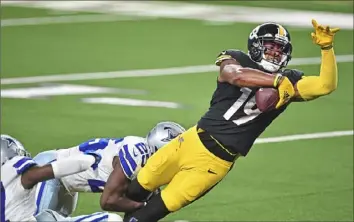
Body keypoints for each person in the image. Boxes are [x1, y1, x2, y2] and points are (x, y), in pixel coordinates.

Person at [123, 19, 340, 222]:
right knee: (133, 192)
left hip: (214, 163)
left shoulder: (290, 82)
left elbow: (325, 85)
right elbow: (234, 75)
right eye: (270, 46)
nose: (275, 53)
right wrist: (276, 80)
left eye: (279, 48)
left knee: (147, 215)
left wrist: (326, 49)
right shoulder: (237, 59)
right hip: (190, 141)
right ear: (256, 46)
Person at [32, 121, 186, 219]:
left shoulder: (147, 160)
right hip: (50, 171)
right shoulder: (136, 156)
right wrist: (145, 207)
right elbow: (108, 201)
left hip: (68, 183)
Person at [0, 134, 109, 222]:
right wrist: (91, 158)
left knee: (47, 216)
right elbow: (54, 168)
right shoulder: (14, 172)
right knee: (111, 219)